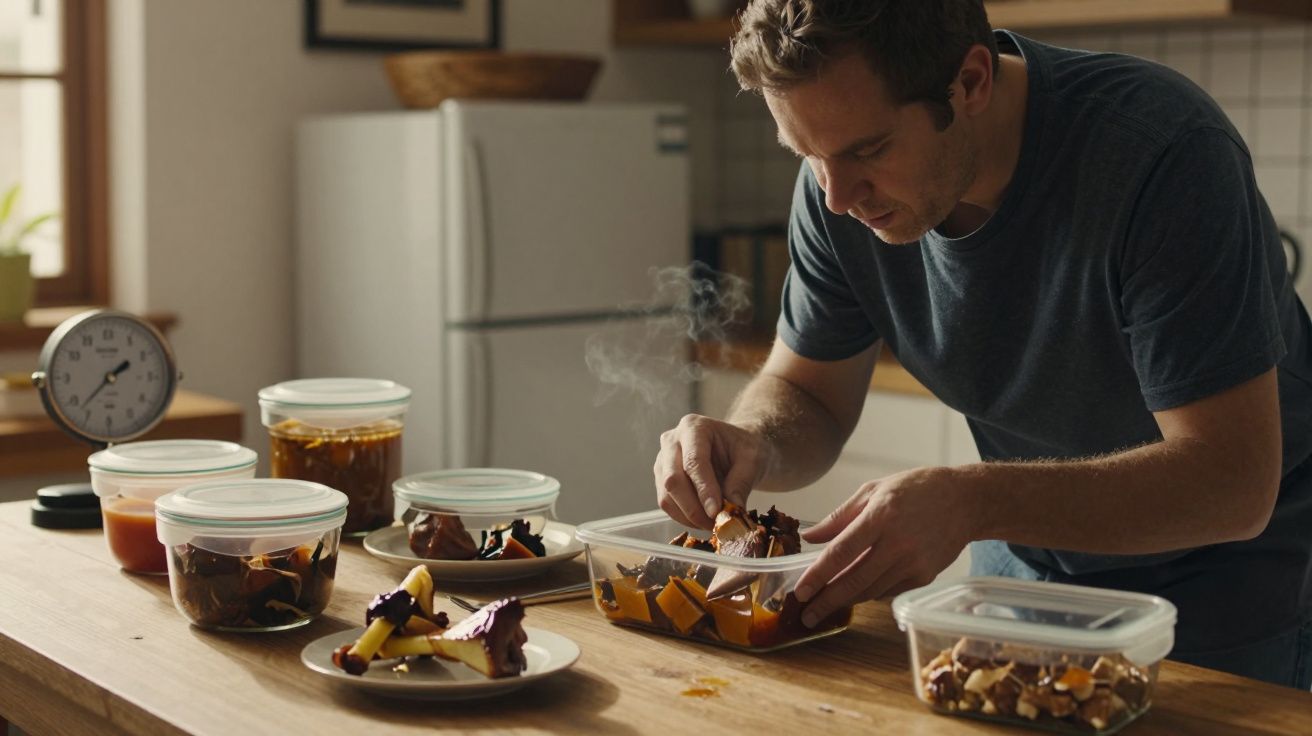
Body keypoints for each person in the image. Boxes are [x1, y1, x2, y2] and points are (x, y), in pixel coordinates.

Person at [653, 0, 1312, 689]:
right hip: (1020, 558)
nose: (838, 196)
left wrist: (969, 502)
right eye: (807, 155)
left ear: (971, 82)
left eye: (869, 150)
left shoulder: (1161, 153)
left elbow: (1233, 483)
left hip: (1225, 585)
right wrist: (753, 440)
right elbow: (807, 394)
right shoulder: (836, 185)